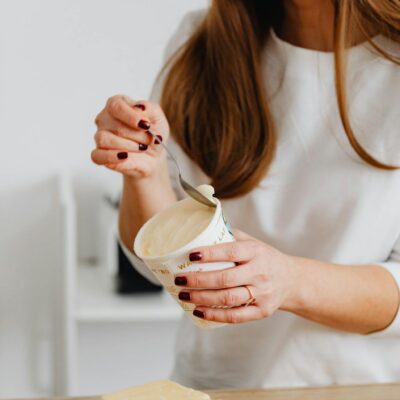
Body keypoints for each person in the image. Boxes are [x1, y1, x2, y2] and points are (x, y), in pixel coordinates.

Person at [91, 0, 400, 390]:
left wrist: (289, 281)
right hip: (218, 387)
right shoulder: (201, 42)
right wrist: (145, 173)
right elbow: (165, 266)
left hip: (362, 388)